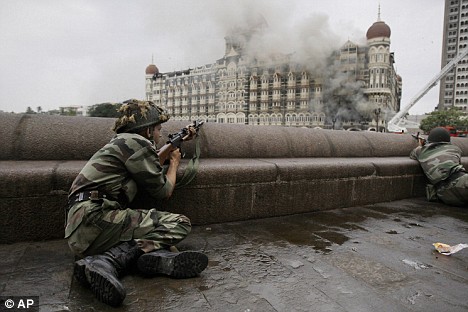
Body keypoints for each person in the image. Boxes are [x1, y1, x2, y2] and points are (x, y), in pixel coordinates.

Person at [64, 99, 208, 307]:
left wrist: (177, 142)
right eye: (158, 129)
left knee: (159, 241)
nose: (160, 134)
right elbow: (164, 190)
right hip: (97, 220)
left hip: (82, 228)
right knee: (179, 223)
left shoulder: (123, 141)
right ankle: (109, 261)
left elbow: (148, 165)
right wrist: (175, 162)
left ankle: (147, 256)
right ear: (148, 131)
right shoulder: (138, 143)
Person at [410, 127, 468, 207]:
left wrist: (422, 146)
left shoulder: (419, 150)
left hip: (444, 194)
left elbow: (413, 155)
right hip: (462, 181)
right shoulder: (455, 149)